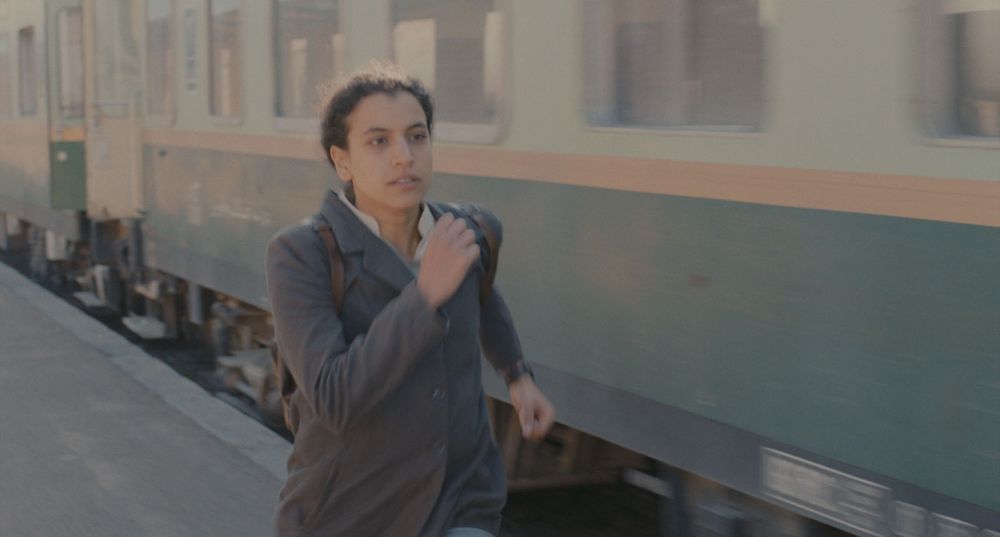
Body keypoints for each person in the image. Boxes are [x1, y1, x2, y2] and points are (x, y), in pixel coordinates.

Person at [265, 62, 555, 537]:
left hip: (460, 501)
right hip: (352, 512)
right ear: (342, 161)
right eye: (378, 141)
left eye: (417, 137)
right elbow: (335, 399)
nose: (404, 156)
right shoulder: (301, 254)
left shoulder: (465, 232)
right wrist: (423, 297)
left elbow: (483, 295)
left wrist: (518, 375)